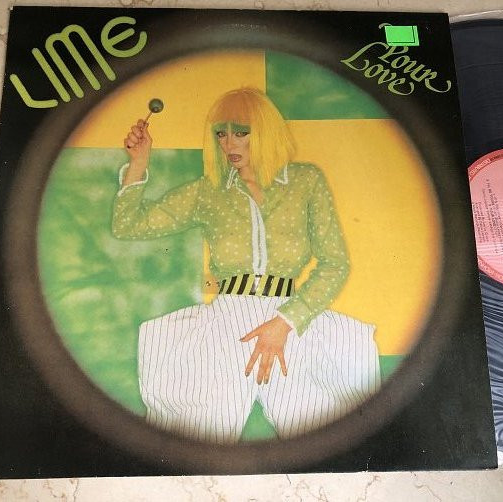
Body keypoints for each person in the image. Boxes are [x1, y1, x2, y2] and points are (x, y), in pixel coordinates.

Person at [112, 88, 380, 443]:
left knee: (324, 434)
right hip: (226, 326)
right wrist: (138, 163)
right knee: (200, 442)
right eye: (221, 134)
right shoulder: (209, 191)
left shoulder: (305, 181)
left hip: (292, 322)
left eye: (241, 132)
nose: (229, 143)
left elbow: (335, 263)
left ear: (266, 131)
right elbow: (128, 226)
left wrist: (285, 322)